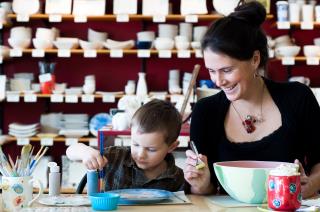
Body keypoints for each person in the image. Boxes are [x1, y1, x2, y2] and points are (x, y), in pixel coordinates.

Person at [184, 1, 320, 198]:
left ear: (255, 60)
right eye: (212, 71)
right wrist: (201, 184)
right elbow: (206, 191)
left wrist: (311, 184)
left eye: (227, 70)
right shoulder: (205, 112)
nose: (218, 81)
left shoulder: (298, 98)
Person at [66, 99, 184, 191]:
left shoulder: (177, 177)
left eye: (151, 149)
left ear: (171, 146)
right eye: (136, 144)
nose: (141, 155)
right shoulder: (115, 156)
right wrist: (84, 152)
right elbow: (70, 151)